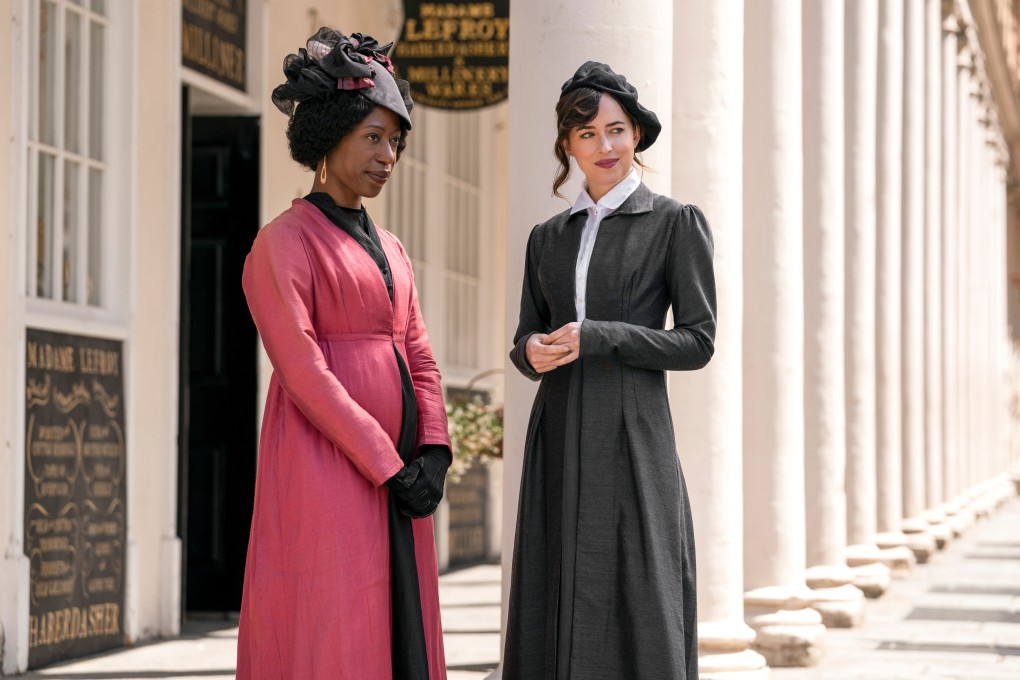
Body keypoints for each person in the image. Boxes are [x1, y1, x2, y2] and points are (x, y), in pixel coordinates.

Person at [237, 28, 451, 680]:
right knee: (337, 623)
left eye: (396, 142)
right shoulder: (282, 243)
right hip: (325, 463)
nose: (389, 156)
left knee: (400, 626)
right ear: (330, 135)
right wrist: (386, 464)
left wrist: (434, 450)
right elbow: (303, 371)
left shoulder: (394, 247)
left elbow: (419, 354)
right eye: (373, 137)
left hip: (401, 469)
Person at [504, 61, 717, 680]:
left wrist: (602, 336)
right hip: (560, 429)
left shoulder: (674, 223)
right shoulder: (547, 237)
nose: (605, 145)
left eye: (617, 130)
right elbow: (525, 334)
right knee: (554, 575)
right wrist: (530, 352)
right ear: (568, 145)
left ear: (637, 135)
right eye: (588, 133)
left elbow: (697, 341)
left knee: (638, 584)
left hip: (633, 432)